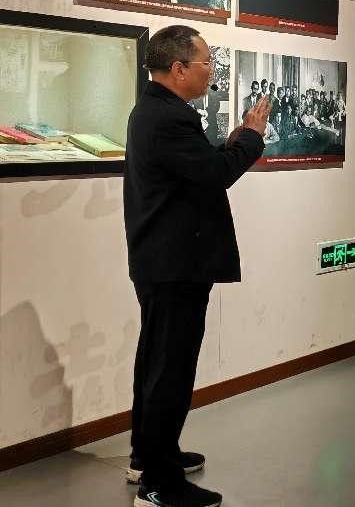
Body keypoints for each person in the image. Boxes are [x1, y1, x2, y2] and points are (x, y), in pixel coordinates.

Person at [124, 25, 270, 507]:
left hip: (163, 260)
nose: (212, 69)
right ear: (179, 68)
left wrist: (233, 142)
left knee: (157, 361)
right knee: (170, 369)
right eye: (206, 61)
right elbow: (215, 173)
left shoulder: (156, 111)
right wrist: (251, 139)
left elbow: (196, 167)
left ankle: (149, 455)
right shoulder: (168, 118)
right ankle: (160, 483)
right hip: (175, 264)